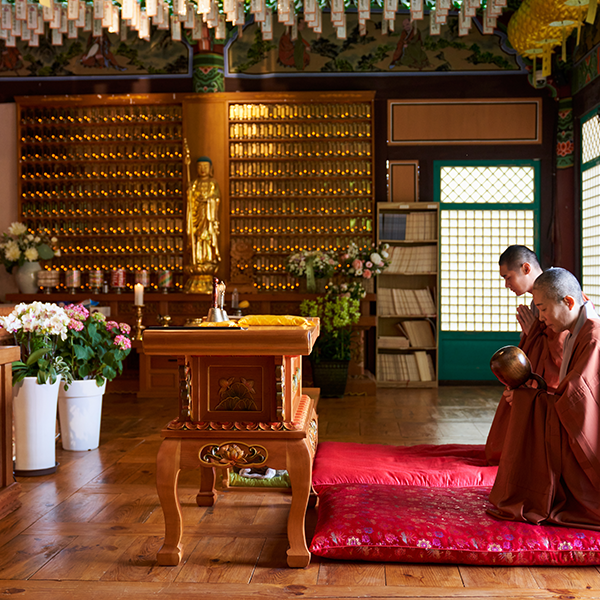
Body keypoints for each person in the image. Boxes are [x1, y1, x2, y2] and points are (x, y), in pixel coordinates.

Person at [488, 268, 600, 530]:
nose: (540, 317)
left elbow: (578, 405)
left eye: (543, 309)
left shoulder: (592, 337)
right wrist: (530, 398)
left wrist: (530, 402)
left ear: (568, 302)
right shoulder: (577, 329)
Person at [485, 245, 566, 464]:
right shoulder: (534, 301)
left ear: (526, 268)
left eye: (508, 277)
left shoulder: (554, 290)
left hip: (556, 379)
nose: (506, 285)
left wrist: (535, 333)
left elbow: (561, 345)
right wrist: (533, 334)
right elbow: (539, 340)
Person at [186, 156, 221, 268]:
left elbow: (216, 198)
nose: (202, 169)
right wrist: (190, 193)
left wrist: (208, 200)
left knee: (208, 236)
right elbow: (191, 200)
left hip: (208, 214)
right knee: (197, 237)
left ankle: (208, 258)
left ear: (210, 168)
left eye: (205, 167)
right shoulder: (194, 183)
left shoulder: (213, 183)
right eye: (200, 167)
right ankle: (197, 258)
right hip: (197, 214)